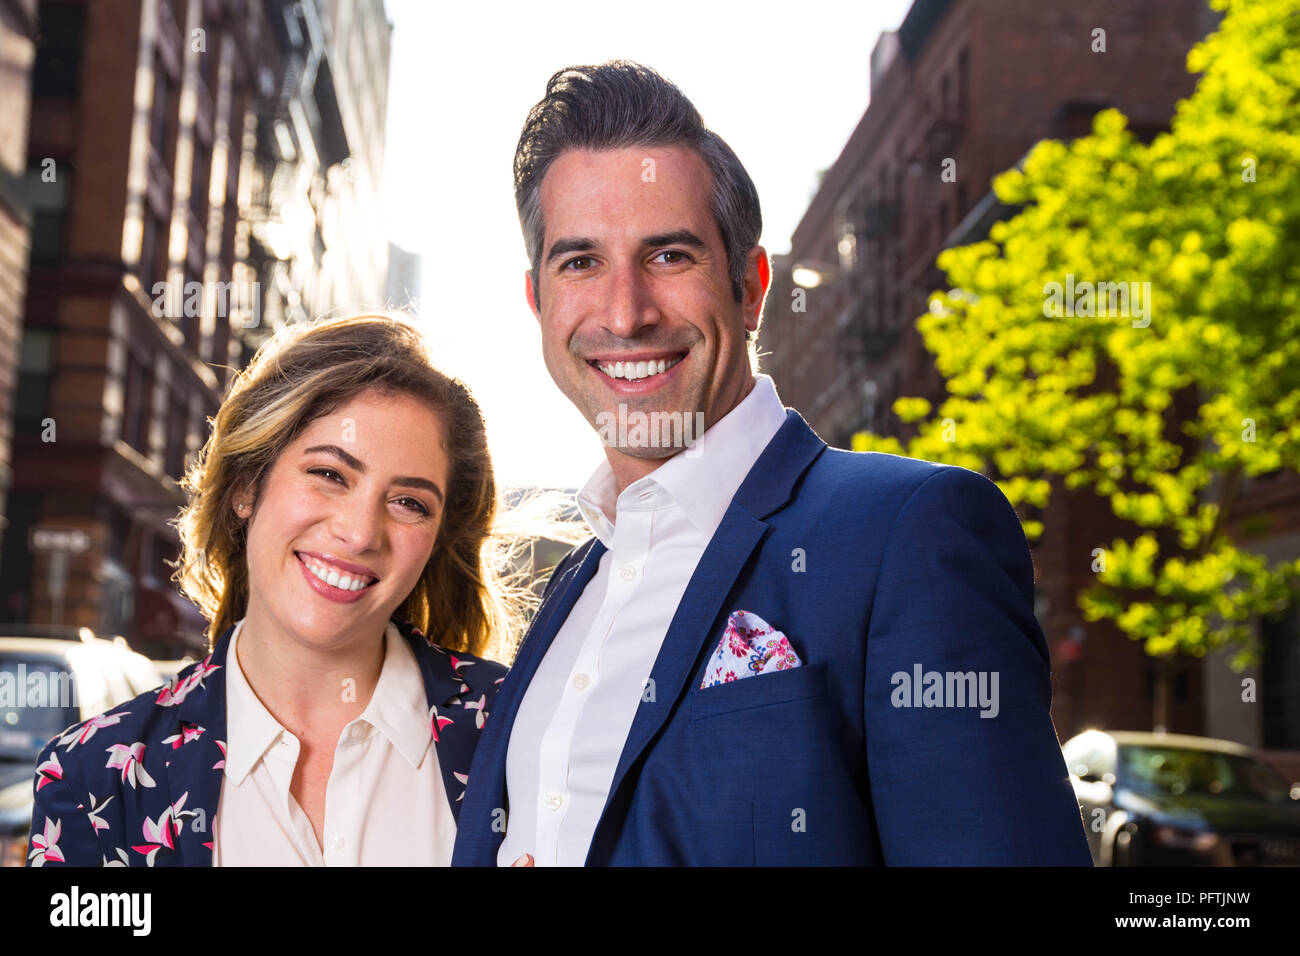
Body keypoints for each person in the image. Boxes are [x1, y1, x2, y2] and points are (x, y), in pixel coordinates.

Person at [452, 61, 1094, 866]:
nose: (625, 311)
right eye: (580, 262)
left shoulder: (906, 534)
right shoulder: (573, 585)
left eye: (670, 256)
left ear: (751, 288)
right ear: (538, 302)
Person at [27, 314, 518, 866]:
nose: (359, 533)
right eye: (330, 474)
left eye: (409, 503)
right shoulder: (92, 777)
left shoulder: (521, 731)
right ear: (246, 486)